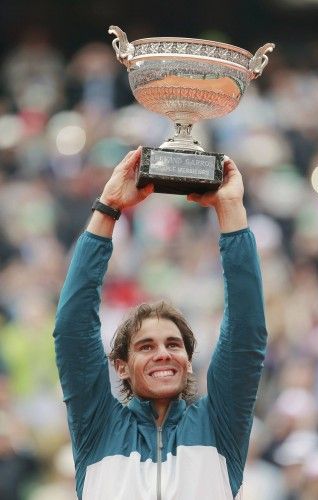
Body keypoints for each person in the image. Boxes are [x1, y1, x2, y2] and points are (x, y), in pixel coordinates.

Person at [53, 146, 267, 499]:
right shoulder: (98, 428)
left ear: (187, 360)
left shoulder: (219, 426)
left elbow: (247, 331)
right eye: (146, 346)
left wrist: (230, 210)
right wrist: (108, 208)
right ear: (120, 366)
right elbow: (72, 332)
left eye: (173, 344)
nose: (163, 354)